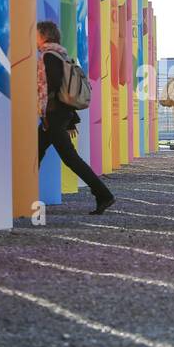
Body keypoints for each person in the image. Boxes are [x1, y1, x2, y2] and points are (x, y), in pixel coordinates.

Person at [36, 20, 115, 214]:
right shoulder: (62, 55)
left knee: (70, 158)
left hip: (53, 116)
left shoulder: (49, 56)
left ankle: (104, 194)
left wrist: (47, 114)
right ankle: (23, 194)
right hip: (58, 115)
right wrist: (68, 118)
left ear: (44, 35)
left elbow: (53, 88)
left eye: (36, 33)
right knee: (36, 152)